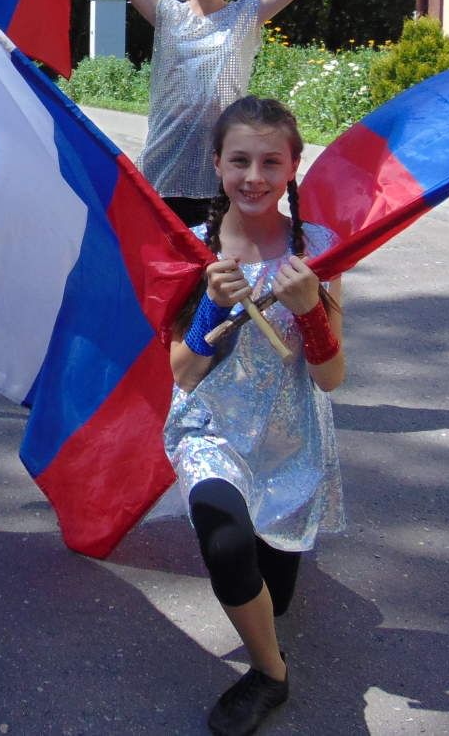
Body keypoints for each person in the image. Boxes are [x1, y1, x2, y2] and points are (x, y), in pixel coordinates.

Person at [36, 0, 407, 228]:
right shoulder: (165, 13)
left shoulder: (248, 14)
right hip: (162, 172)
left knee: (219, 280)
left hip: (225, 176)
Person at [164, 96, 347, 736]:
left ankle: (273, 576)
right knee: (226, 544)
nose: (254, 176)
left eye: (272, 161)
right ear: (216, 164)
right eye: (239, 160)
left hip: (289, 440)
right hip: (210, 430)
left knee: (278, 593)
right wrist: (214, 308)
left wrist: (310, 311)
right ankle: (271, 674)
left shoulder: (317, 249)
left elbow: (330, 377)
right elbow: (182, 374)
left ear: (294, 166)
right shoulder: (191, 250)